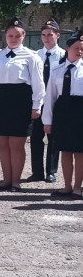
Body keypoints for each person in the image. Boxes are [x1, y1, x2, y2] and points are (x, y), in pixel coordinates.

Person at [0, 16, 45, 192]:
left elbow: (38, 83)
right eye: (10, 35)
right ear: (5, 36)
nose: (14, 39)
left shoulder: (31, 56)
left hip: (20, 100)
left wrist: (37, 105)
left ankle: (16, 181)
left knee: (16, 145)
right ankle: (6, 180)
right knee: (2, 144)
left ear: (23, 36)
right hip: (0, 100)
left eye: (17, 36)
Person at [42, 31, 83, 199]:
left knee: (80, 153)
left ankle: (78, 188)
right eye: (76, 48)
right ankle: (67, 186)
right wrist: (47, 121)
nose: (79, 51)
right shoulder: (57, 70)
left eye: (82, 49)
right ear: (67, 48)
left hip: (80, 113)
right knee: (65, 151)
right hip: (63, 113)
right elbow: (50, 97)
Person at [29, 19, 64, 183]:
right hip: (38, 101)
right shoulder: (36, 55)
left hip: (55, 102)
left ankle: (51, 171)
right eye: (43, 35)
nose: (46, 38)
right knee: (36, 137)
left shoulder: (64, 56)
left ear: (57, 35)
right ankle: (37, 171)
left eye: (50, 35)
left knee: (53, 138)